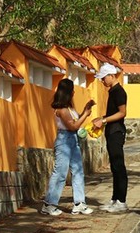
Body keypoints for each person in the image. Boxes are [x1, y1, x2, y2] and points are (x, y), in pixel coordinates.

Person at [41, 79, 95, 216]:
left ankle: (79, 203)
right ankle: (49, 204)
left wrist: (85, 110)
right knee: (60, 172)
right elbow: (73, 126)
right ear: (68, 92)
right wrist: (85, 115)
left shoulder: (69, 108)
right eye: (72, 90)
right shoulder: (62, 110)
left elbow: (75, 123)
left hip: (73, 140)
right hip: (64, 141)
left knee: (78, 171)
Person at [92, 63, 128, 213]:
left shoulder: (119, 92)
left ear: (111, 76)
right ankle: (115, 199)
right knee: (114, 167)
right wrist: (101, 118)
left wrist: (104, 120)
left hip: (116, 132)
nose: (102, 81)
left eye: (103, 78)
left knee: (119, 166)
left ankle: (122, 201)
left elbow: (122, 113)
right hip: (111, 131)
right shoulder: (112, 92)